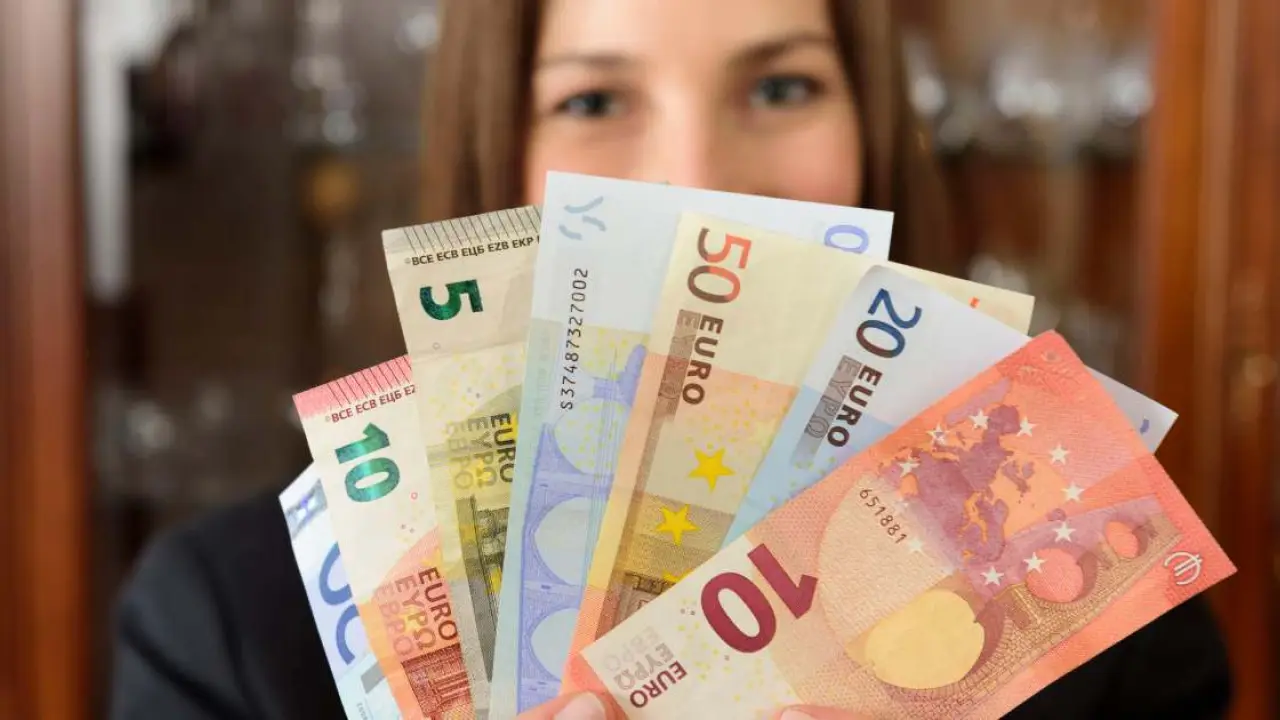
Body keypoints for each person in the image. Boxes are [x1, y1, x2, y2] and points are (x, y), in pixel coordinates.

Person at [110, 0, 1233, 718]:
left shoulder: (1106, 615)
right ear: (496, 153)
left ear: (876, 131)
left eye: (781, 86)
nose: (701, 180)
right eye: (593, 98)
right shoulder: (224, 624)